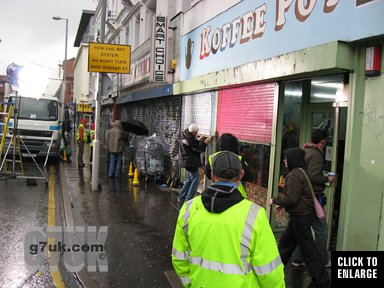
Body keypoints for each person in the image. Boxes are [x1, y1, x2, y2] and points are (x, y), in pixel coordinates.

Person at [172, 151, 285, 287]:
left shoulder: (188, 209)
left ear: (212, 175)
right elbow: (270, 272)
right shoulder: (255, 215)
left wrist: (191, 284)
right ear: (241, 174)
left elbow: (179, 258)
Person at [270, 147, 331, 288]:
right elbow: (298, 197)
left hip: (300, 217)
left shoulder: (294, 175)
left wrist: (275, 200)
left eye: (286, 158)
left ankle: (322, 280)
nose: (285, 160)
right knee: (286, 244)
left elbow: (292, 199)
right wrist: (284, 205)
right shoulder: (302, 171)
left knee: (308, 250)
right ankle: (274, 271)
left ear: (292, 159)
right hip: (301, 215)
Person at [292, 129, 335, 268]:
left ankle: (298, 258)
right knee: (321, 230)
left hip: (304, 197)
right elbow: (314, 176)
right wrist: (327, 178)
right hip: (312, 198)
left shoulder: (305, 151)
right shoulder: (316, 155)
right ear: (322, 141)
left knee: (304, 229)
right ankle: (322, 260)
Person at [205, 133, 250, 197]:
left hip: (216, 192)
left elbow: (207, 174)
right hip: (237, 195)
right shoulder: (238, 158)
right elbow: (247, 176)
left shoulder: (213, 157)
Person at [178, 124, 211, 202]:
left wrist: (199, 140)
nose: (196, 134)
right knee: (195, 181)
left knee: (190, 179)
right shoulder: (190, 140)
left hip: (186, 161)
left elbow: (193, 144)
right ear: (192, 132)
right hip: (190, 162)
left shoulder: (184, 135)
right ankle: (189, 200)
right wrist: (206, 142)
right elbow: (198, 149)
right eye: (196, 133)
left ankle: (181, 197)